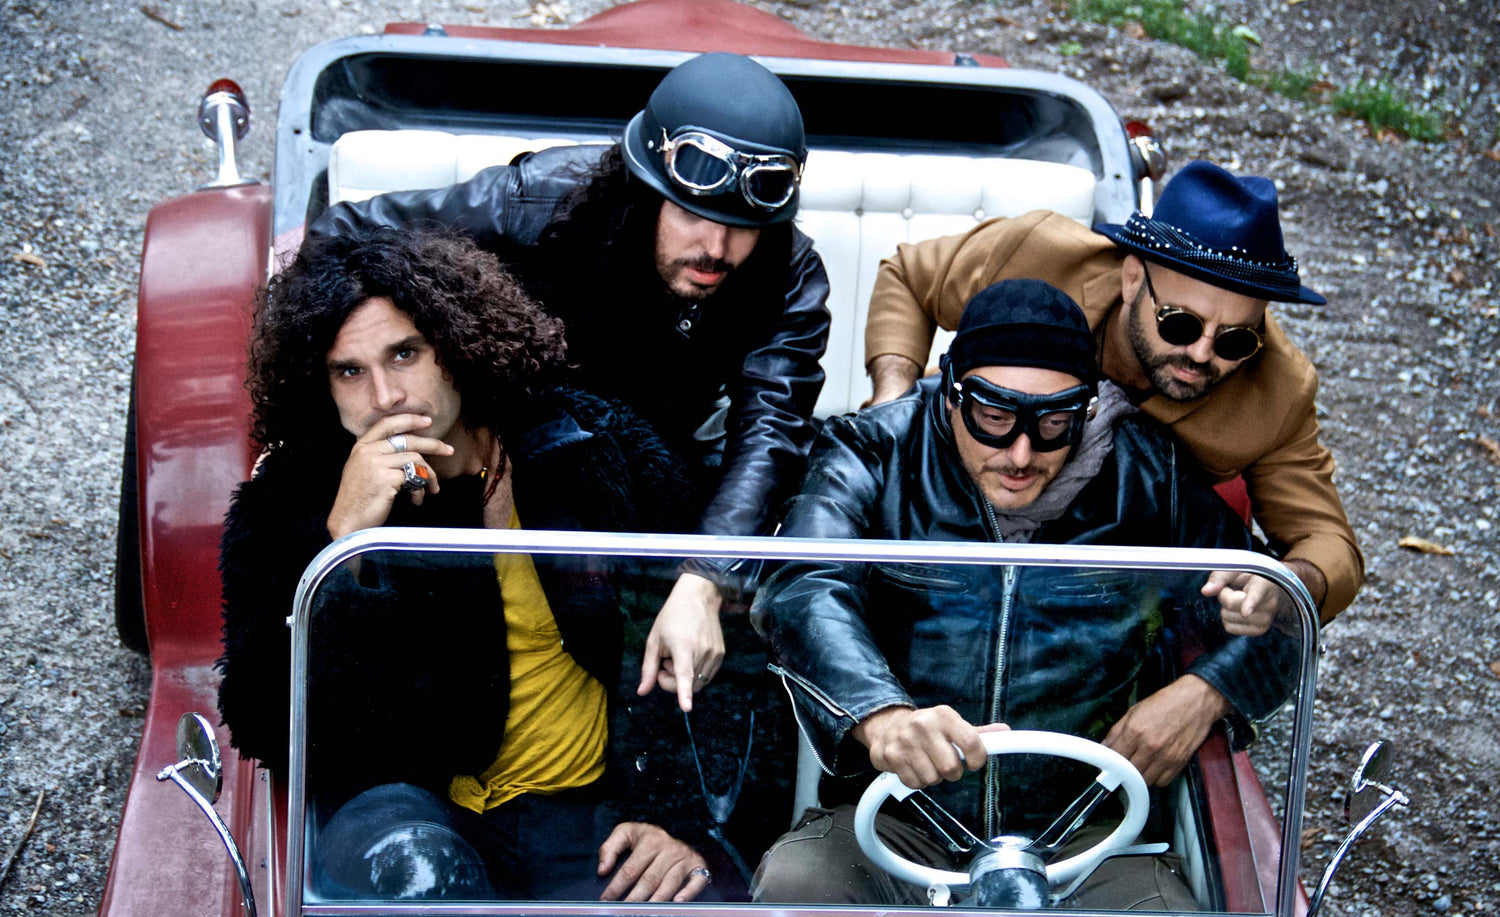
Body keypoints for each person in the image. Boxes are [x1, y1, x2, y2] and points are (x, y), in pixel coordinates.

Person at [309, 52, 832, 710]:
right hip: (514, 442)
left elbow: (771, 432)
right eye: (693, 215)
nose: (717, 249)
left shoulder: (791, 274)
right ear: (645, 191)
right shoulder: (542, 200)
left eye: (741, 228)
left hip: (654, 474)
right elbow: (347, 233)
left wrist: (706, 579)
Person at [750, 280, 1297, 909]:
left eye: (1055, 423)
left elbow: (1276, 613)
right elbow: (802, 581)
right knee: (798, 889)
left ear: (1087, 409)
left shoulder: (1152, 474)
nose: (1020, 453)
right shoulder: (874, 447)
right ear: (952, 393)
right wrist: (882, 719)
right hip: (893, 821)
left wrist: (1205, 694)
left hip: (1091, 839)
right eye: (994, 417)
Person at [216, 228, 714, 902]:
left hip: (591, 815)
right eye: (350, 370)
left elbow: (720, 642)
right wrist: (343, 546)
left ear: (453, 346)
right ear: (321, 384)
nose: (387, 395)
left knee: (702, 897)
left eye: (404, 353)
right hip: (406, 813)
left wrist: (676, 823)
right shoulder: (291, 497)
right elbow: (268, 726)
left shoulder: (587, 443)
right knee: (419, 869)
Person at [862, 160, 1362, 629]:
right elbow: (908, 275)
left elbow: (1329, 545)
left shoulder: (1278, 389)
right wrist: (894, 404)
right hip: (963, 499)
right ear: (1130, 279)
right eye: (1180, 323)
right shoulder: (1034, 254)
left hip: (1122, 569)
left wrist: (1288, 585)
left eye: (1236, 340)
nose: (1202, 354)